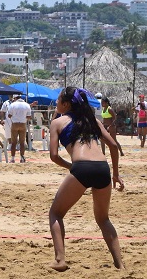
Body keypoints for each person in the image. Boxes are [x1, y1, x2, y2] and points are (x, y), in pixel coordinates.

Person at [48, 87, 124, 271]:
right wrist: (115, 174)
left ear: (66, 104)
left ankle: (60, 260)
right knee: (103, 219)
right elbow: (114, 146)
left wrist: (71, 167)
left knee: (56, 213)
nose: (56, 104)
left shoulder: (58, 122)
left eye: (58, 101)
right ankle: (120, 265)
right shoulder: (93, 121)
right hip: (102, 168)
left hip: (81, 168)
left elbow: (54, 156)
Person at [7, 95, 32, 163]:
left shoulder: (12, 105)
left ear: (15, 98)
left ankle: (12, 158)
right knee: (22, 142)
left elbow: (9, 115)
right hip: (23, 124)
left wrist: (15, 116)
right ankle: (22, 158)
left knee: (13, 142)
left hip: (15, 124)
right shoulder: (27, 105)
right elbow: (29, 116)